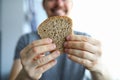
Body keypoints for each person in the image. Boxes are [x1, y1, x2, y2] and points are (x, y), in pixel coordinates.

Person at [9, 0, 112, 80]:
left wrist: (99, 69)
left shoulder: (86, 41)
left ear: (71, 4)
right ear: (43, 5)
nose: (59, 3)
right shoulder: (27, 40)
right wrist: (25, 76)